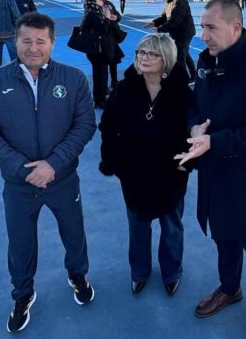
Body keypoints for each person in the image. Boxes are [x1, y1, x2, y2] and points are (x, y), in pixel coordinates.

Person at [0, 12, 97, 333]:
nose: (33, 47)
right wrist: (21, 169)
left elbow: (84, 125)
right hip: (19, 184)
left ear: (52, 43)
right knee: (20, 242)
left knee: (73, 232)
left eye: (41, 41)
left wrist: (53, 164)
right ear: (16, 41)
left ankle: (78, 274)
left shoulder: (74, 79)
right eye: (26, 40)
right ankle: (23, 293)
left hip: (63, 179)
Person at [174, 0, 246, 339]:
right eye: (203, 27)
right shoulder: (206, 61)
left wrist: (215, 142)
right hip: (215, 172)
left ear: (235, 27)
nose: (203, 36)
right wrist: (194, 128)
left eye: (211, 28)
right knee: (223, 236)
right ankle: (229, 288)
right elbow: (194, 104)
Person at [99, 33, 192, 297]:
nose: (144, 58)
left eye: (152, 54)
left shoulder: (181, 92)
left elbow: (193, 130)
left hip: (171, 173)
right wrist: (113, 161)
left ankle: (171, 271)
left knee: (171, 225)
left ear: (167, 59)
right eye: (141, 52)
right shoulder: (125, 87)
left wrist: (187, 163)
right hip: (135, 172)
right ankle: (139, 271)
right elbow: (108, 125)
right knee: (138, 225)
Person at [144, 0, 197, 81]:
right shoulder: (170, 0)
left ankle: (183, 81)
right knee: (185, 54)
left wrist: (159, 29)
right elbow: (164, 17)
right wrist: (154, 23)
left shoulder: (180, 1)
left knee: (180, 56)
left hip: (184, 33)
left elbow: (174, 22)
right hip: (177, 33)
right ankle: (194, 75)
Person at [82, 0, 115, 108]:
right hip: (97, 50)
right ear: (94, 3)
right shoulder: (92, 15)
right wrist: (106, 18)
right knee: (100, 75)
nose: (102, 2)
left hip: (97, 50)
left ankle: (100, 97)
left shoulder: (93, 12)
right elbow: (104, 29)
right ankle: (99, 99)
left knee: (101, 74)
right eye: (100, 0)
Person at [95, 0, 126, 91]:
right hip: (103, 39)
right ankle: (103, 88)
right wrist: (106, 19)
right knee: (103, 64)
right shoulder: (95, 7)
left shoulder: (109, 4)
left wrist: (116, 17)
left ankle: (114, 81)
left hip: (112, 37)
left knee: (114, 60)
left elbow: (118, 15)